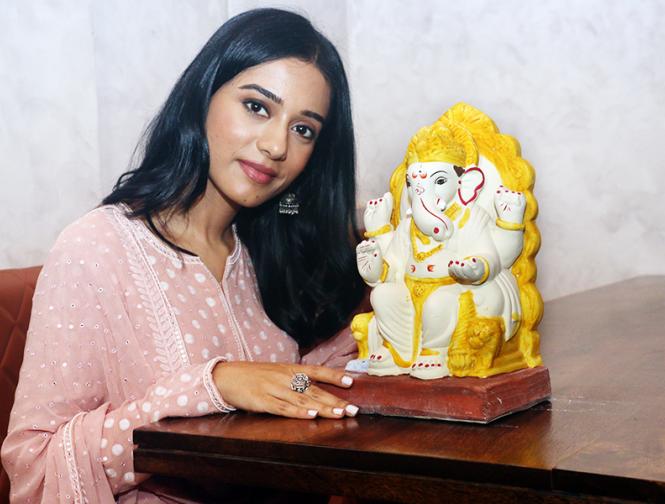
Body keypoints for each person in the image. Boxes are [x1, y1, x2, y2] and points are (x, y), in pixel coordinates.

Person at [1, 8, 366, 502]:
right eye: (257, 107)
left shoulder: (274, 252)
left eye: (304, 129)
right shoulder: (97, 248)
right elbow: (38, 467)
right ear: (203, 96)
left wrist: (365, 355)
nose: (276, 145)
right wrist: (208, 387)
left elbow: (300, 384)